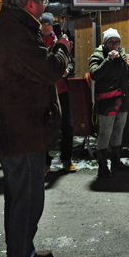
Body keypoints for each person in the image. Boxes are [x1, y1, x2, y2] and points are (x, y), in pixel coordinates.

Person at [0, 0, 68, 257]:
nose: (45, 6)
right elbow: (48, 69)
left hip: (19, 129)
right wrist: (61, 47)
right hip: (20, 132)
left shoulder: (13, 26)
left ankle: (25, 252)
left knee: (23, 199)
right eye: (44, 0)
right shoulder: (15, 31)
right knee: (26, 201)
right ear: (31, 3)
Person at [89, 28, 129, 177]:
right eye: (111, 42)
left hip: (122, 99)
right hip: (107, 100)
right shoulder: (98, 55)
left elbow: (128, 76)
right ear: (105, 43)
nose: (115, 45)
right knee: (105, 134)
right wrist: (108, 60)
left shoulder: (122, 54)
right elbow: (95, 75)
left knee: (118, 131)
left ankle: (116, 162)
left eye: (117, 42)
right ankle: (102, 166)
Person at [40, 12, 76, 172]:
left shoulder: (61, 40)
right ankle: (45, 161)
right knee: (45, 127)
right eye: (43, 24)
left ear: (52, 25)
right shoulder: (36, 42)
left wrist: (68, 69)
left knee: (67, 126)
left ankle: (66, 159)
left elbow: (71, 60)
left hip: (62, 90)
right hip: (45, 91)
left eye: (48, 24)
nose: (45, 26)